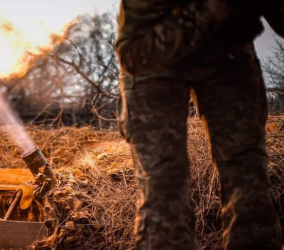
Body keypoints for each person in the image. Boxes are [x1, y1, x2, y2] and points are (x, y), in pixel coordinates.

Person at [116, 0, 282, 249]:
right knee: (162, 178)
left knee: (247, 172)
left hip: (227, 51)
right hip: (153, 52)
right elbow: (133, 54)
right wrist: (210, 11)